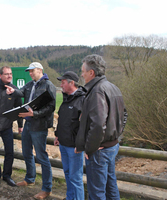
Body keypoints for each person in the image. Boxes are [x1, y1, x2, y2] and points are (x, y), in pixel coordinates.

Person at [75, 54, 128, 200]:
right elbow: (124, 116)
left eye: (83, 71)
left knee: (97, 192)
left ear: (91, 72)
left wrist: (90, 147)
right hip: (111, 146)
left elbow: (98, 124)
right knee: (111, 188)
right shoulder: (113, 87)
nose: (82, 74)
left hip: (100, 151)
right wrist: (115, 136)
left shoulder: (97, 90)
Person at [5, 62, 56, 200]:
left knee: (41, 157)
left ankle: (47, 189)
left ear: (40, 70)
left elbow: (51, 107)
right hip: (28, 124)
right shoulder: (30, 84)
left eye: (32, 71)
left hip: (39, 125)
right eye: (29, 72)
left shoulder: (48, 85)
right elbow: (21, 92)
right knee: (26, 152)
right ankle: (30, 179)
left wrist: (35, 114)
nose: (30, 73)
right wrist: (13, 91)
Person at [54, 71, 85, 200]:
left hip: (74, 147)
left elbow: (85, 126)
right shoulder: (66, 99)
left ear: (71, 83)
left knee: (76, 177)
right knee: (67, 173)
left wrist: (80, 144)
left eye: (63, 82)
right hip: (63, 144)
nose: (61, 85)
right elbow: (62, 120)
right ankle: (70, 197)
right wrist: (57, 135)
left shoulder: (82, 100)